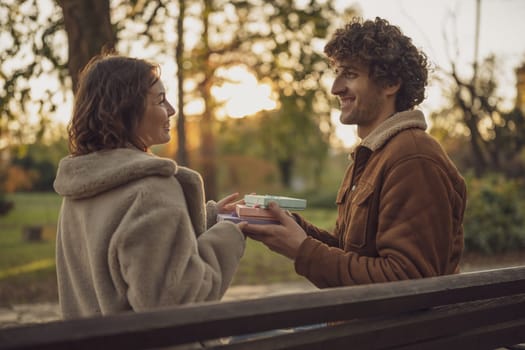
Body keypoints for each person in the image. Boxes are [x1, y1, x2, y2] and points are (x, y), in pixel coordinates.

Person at [241, 17, 467, 288]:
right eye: (337, 73)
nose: (335, 88)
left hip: (384, 331)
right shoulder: (373, 156)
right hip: (359, 327)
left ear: (390, 83)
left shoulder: (413, 158)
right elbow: (350, 254)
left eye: (350, 74)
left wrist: (302, 249)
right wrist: (292, 227)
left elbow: (408, 282)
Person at [53, 54, 246, 320]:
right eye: (160, 100)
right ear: (124, 111)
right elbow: (174, 304)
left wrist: (210, 218)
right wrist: (229, 234)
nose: (171, 110)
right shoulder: (152, 190)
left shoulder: (83, 186)